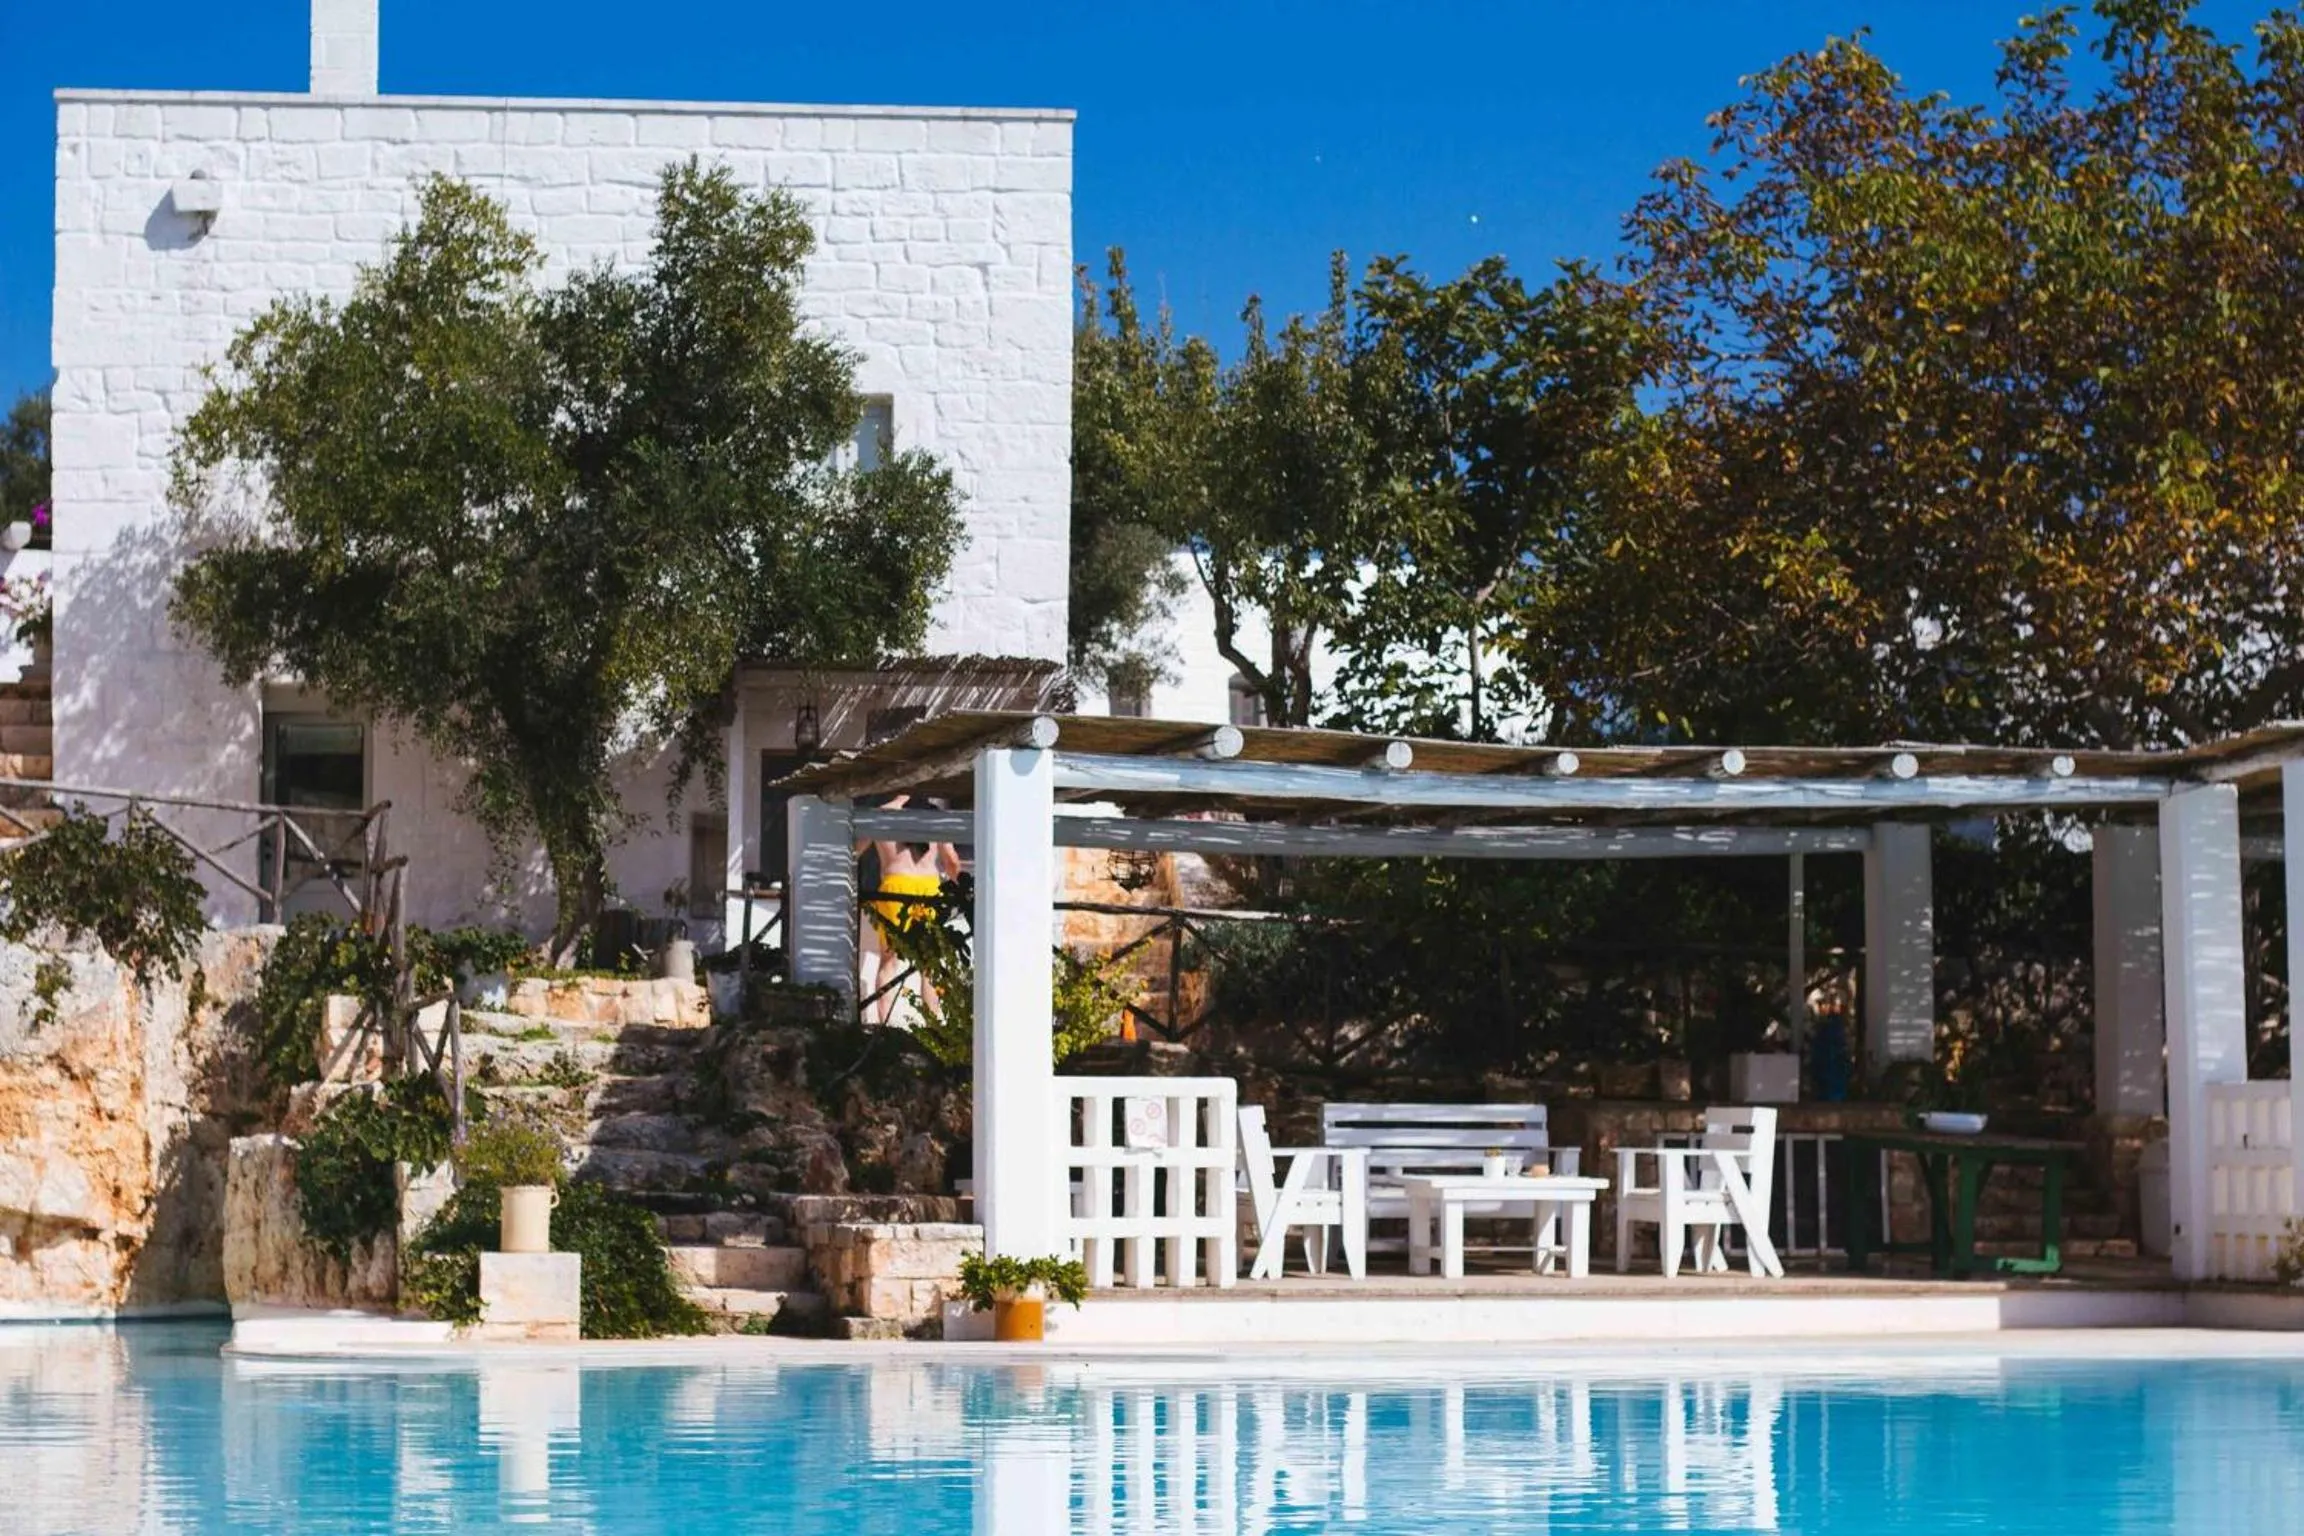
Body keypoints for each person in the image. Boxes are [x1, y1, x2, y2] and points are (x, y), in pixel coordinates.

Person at [862, 793, 961, 1025]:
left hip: (895, 884)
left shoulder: (881, 812)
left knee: (889, 960)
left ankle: (886, 1027)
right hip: (929, 887)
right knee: (930, 963)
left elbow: (854, 850)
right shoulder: (934, 815)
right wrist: (962, 888)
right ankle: (933, 1026)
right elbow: (952, 861)